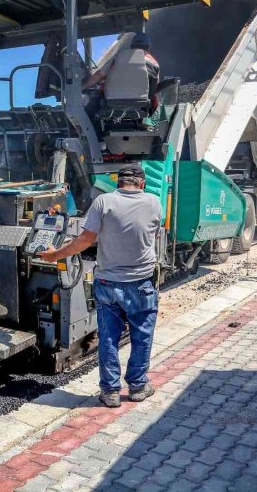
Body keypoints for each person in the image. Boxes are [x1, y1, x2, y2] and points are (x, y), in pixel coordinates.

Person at [39, 165, 162, 407]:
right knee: (142, 336)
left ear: (118, 183)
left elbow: (85, 240)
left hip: (108, 282)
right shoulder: (154, 202)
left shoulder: (103, 202)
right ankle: (137, 386)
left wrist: (55, 255)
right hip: (141, 282)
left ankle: (110, 392)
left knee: (108, 339)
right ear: (142, 183)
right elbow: (153, 233)